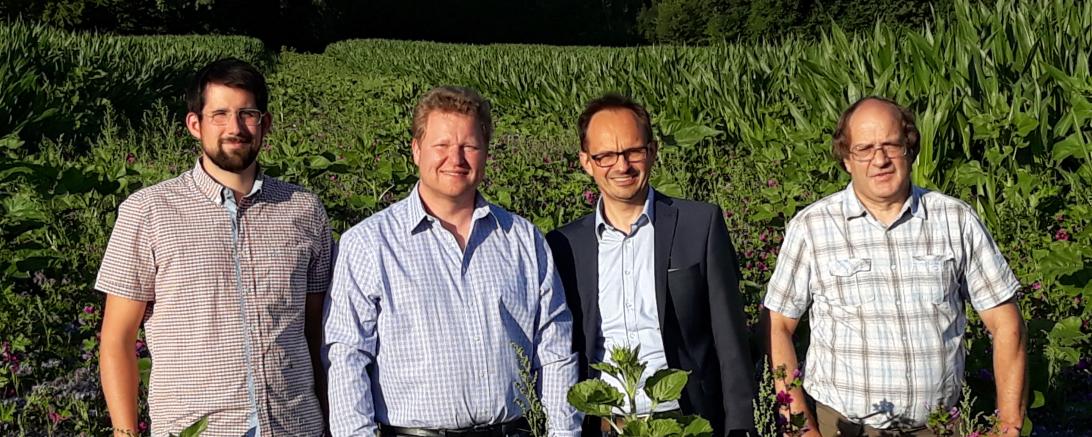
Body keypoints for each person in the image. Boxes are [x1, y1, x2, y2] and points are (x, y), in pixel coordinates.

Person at [324, 86, 581, 437]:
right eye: (441, 146)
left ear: (486, 153)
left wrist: (564, 433)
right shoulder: (369, 244)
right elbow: (347, 358)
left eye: (469, 147)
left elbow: (555, 349)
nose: (455, 159)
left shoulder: (523, 239)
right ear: (416, 150)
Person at [763, 97, 1027, 436]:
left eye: (891, 145)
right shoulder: (812, 227)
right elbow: (777, 325)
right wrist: (797, 426)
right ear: (847, 159)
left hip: (938, 427)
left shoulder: (955, 219)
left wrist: (1008, 424)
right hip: (845, 428)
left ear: (910, 149)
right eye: (865, 149)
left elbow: (1005, 322)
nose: (880, 160)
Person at [97, 58, 333, 436]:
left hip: (295, 425)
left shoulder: (303, 209)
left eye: (247, 114)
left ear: (265, 123)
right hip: (198, 429)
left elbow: (318, 332)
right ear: (195, 124)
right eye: (219, 114)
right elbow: (117, 340)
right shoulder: (149, 211)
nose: (235, 128)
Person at [545, 93, 755, 437]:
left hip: (685, 419)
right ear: (586, 161)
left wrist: (741, 425)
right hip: (606, 424)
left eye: (633, 151)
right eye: (606, 156)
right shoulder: (565, 245)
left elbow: (729, 337)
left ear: (653, 151)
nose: (622, 166)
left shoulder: (699, 225)